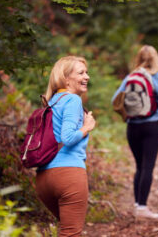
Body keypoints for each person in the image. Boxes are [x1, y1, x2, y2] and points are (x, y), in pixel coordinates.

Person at [112, 45, 158, 220]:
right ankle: (142, 207)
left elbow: (115, 100)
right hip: (152, 125)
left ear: (138, 58)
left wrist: (128, 110)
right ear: (156, 59)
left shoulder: (130, 77)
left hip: (132, 126)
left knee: (139, 166)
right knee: (148, 166)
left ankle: (136, 205)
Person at [35, 56, 96, 236]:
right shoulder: (72, 100)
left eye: (86, 72)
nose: (87, 77)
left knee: (66, 229)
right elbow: (67, 137)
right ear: (66, 78)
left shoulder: (52, 101)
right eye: (81, 73)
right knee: (70, 233)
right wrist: (87, 127)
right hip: (68, 174)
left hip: (44, 178)